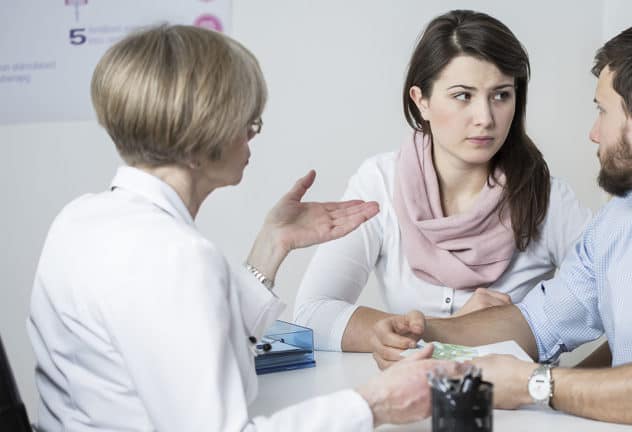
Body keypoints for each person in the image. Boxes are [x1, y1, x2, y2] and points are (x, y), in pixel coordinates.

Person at [27, 24, 458, 432]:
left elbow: (202, 357)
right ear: (199, 140)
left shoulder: (79, 218)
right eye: (247, 124)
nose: (251, 138)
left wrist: (273, 244)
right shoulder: (174, 255)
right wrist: (375, 404)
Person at [370, 21, 632, 430]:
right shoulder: (623, 217)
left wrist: (534, 384)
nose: (593, 133)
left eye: (602, 111)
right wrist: (423, 330)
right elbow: (536, 323)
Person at [294, 10, 592, 354]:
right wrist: (455, 330)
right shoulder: (380, 182)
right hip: (406, 396)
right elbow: (312, 315)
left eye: (501, 95)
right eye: (463, 95)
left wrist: (433, 331)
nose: (485, 118)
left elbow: (611, 298)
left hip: (517, 402)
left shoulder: (547, 198)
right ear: (421, 101)